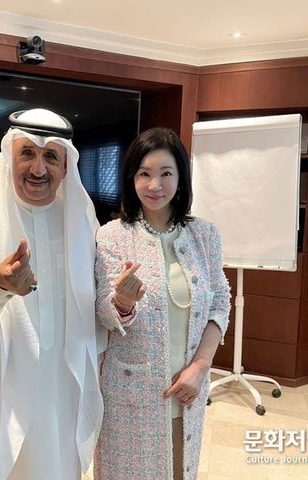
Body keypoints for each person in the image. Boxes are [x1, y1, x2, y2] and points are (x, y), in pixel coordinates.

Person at [0, 108, 103, 480]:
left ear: (66, 165)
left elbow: (94, 304)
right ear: (9, 156)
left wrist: (121, 304)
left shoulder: (81, 220)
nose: (38, 169)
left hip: (62, 380)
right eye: (27, 153)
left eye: (51, 157)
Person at [94, 127, 231, 480]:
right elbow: (104, 312)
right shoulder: (112, 236)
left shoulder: (204, 235)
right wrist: (123, 302)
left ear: (180, 178)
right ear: (131, 179)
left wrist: (201, 367)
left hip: (188, 391)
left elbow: (220, 300)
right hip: (131, 393)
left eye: (166, 174)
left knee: (179, 470)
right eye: (144, 174)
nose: (155, 185)